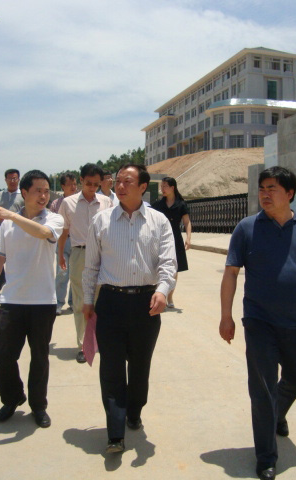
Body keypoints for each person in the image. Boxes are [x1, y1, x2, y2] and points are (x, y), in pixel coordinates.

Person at [219, 166, 296, 480]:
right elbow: (231, 273)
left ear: (290, 193)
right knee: (262, 388)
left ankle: (278, 412)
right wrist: (226, 315)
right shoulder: (247, 228)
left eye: (272, 188)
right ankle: (267, 458)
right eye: (262, 188)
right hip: (259, 321)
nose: (265, 194)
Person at [82, 164, 176, 454]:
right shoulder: (101, 221)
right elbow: (91, 266)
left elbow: (168, 263)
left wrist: (162, 291)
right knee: (111, 369)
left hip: (146, 305)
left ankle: (134, 410)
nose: (120, 186)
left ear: (143, 187)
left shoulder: (159, 221)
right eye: (118, 181)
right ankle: (115, 433)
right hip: (111, 303)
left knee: (139, 367)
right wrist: (88, 300)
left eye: (127, 181)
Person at [0, 169, 64, 428]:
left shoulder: (54, 219)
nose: (43, 196)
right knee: (3, 355)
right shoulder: (6, 225)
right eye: (38, 191)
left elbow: (42, 233)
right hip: (11, 300)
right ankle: (12, 398)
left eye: (46, 191)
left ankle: (38, 406)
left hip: (42, 302)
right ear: (24, 192)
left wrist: (12, 215)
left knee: (39, 358)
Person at [58, 163, 113, 363]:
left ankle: (99, 341)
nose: (92, 188)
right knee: (81, 301)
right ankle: (83, 344)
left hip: (103, 255)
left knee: (101, 300)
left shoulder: (106, 202)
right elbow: (63, 232)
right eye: (88, 183)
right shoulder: (68, 203)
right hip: (79, 254)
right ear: (80, 180)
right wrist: (60, 255)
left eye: (96, 184)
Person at [151, 176, 192, 308]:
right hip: (160, 239)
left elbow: (187, 222)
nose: (162, 189)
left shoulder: (181, 204)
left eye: (165, 186)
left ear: (172, 187)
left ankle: (170, 296)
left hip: (175, 239)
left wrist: (188, 238)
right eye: (161, 186)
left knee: (174, 268)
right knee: (158, 266)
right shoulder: (157, 205)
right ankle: (159, 294)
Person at [0, 169, 25, 293]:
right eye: (10, 178)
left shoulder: (23, 195)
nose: (12, 181)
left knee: (16, 257)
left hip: (18, 229)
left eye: (15, 178)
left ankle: (17, 284)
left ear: (19, 179)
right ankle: (0, 280)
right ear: (5, 180)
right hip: (0, 229)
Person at [50, 173, 78, 315]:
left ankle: (74, 303)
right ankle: (58, 303)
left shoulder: (81, 202)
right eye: (69, 184)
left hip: (77, 241)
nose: (73, 187)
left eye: (75, 184)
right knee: (62, 273)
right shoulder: (56, 204)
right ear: (62, 186)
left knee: (76, 274)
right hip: (62, 241)